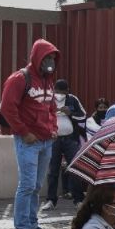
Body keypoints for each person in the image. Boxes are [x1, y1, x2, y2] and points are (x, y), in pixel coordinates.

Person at [0, 39, 59, 229]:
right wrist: (24, 132)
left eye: (53, 57)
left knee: (35, 186)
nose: (51, 61)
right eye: (47, 57)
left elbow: (51, 108)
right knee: (26, 185)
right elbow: (7, 108)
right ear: (37, 58)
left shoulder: (49, 81)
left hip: (45, 142)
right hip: (28, 142)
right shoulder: (19, 78)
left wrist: (53, 128)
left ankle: (33, 226)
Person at [42, 79, 86, 211]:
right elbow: (41, 115)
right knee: (53, 170)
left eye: (62, 91)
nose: (59, 94)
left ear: (67, 91)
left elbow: (83, 115)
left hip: (70, 139)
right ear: (53, 90)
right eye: (57, 91)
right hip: (53, 139)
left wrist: (70, 113)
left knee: (74, 168)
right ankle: (51, 200)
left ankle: (78, 199)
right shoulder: (48, 99)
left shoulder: (73, 99)